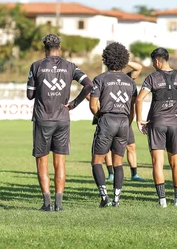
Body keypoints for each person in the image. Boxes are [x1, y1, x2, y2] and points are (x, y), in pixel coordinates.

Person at [27, 33, 92, 212]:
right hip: (63, 118)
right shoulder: (70, 66)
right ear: (60, 48)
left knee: (42, 162)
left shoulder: (37, 65)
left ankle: (47, 204)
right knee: (60, 163)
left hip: (43, 118)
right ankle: (59, 204)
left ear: (44, 48)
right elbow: (88, 84)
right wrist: (74, 104)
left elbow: (30, 95)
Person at [136, 47, 177, 207]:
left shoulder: (152, 78)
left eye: (153, 62)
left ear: (157, 61)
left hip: (157, 123)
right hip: (175, 124)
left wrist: (139, 119)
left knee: (157, 162)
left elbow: (139, 99)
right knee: (176, 164)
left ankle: (162, 201)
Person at [90, 42, 137, 207]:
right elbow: (133, 107)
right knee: (118, 163)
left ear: (105, 59)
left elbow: (93, 105)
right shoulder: (130, 81)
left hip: (107, 120)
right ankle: (116, 199)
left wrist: (100, 116)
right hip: (124, 122)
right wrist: (127, 121)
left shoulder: (100, 79)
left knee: (97, 161)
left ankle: (104, 198)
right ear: (123, 59)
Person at [103, 61, 145, 182]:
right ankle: (111, 173)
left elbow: (138, 68)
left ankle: (134, 174)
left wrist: (124, 59)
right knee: (108, 148)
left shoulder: (126, 78)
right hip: (108, 118)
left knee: (131, 146)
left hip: (124, 119)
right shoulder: (104, 78)